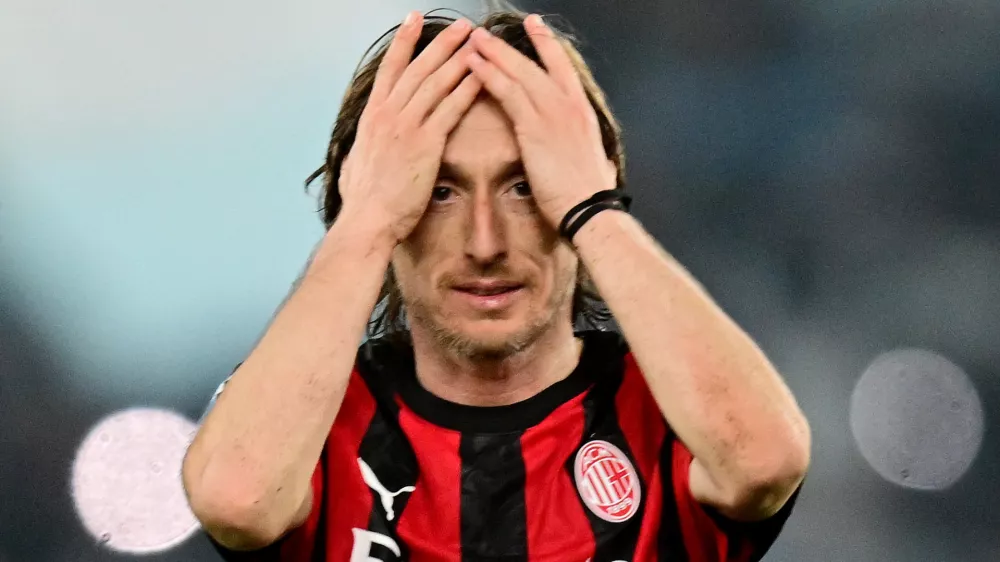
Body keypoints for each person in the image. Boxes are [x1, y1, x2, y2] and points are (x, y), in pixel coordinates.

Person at [182, 8, 811, 561]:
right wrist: (365, 221)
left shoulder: (665, 415)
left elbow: (765, 462)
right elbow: (237, 500)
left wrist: (595, 210)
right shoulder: (311, 428)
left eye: (526, 186)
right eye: (438, 191)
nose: (486, 244)